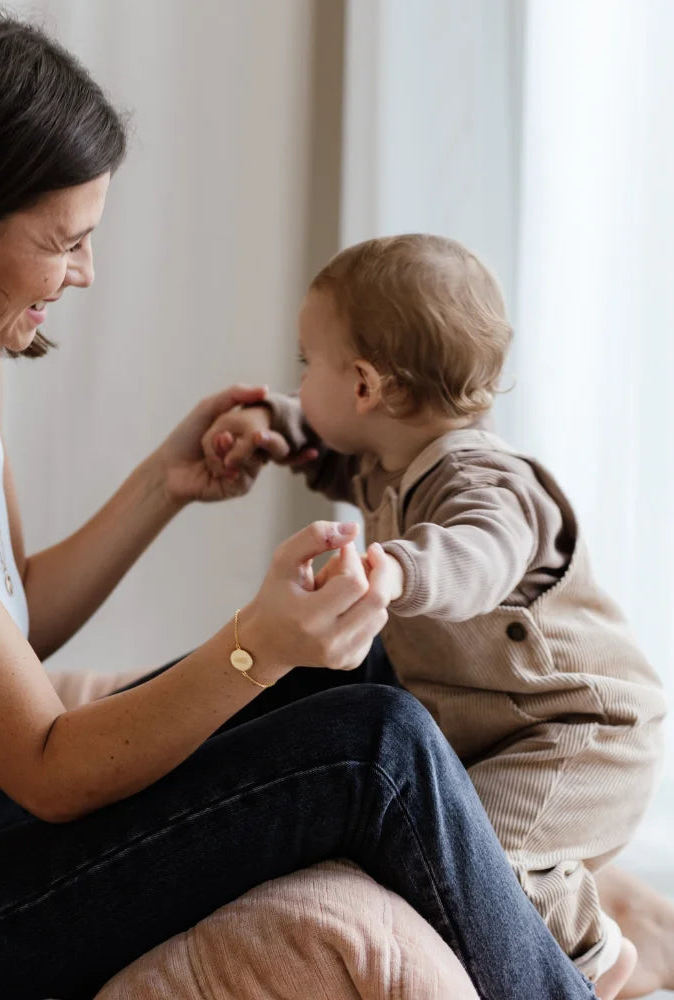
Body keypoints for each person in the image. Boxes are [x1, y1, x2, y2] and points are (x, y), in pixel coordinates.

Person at [0, 9, 601, 999]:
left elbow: (13, 624)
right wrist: (258, 638)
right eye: (66, 240)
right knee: (372, 744)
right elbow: (45, 763)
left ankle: (525, 917)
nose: (85, 271)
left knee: (362, 676)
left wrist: (163, 485)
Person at [201, 233, 670, 1000]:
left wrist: (399, 568)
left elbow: (481, 555)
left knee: (488, 860)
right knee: (445, 844)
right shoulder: (393, 456)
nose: (300, 379)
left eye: (303, 365)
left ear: (362, 386)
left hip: (580, 731)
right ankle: (609, 910)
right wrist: (281, 428)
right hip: (508, 726)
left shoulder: (483, 478)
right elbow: (339, 459)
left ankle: (605, 959)